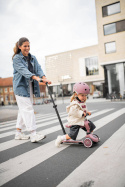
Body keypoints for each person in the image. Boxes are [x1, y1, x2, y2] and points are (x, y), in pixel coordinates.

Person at [12, 37, 51, 143]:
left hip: (30, 86)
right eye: (25, 46)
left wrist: (43, 77)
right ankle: (33, 134)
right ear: (20, 47)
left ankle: (18, 133)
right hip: (20, 87)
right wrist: (36, 78)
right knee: (28, 109)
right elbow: (24, 71)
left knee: (23, 109)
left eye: (28, 45)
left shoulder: (32, 57)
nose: (27, 48)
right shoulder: (17, 58)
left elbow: (38, 68)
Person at [55, 82, 96, 147]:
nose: (84, 97)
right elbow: (74, 112)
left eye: (85, 95)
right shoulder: (74, 103)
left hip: (82, 120)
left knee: (90, 126)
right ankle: (60, 138)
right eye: (82, 95)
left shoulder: (82, 102)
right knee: (72, 135)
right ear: (76, 94)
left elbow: (83, 110)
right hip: (75, 121)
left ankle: (90, 136)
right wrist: (82, 113)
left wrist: (87, 112)